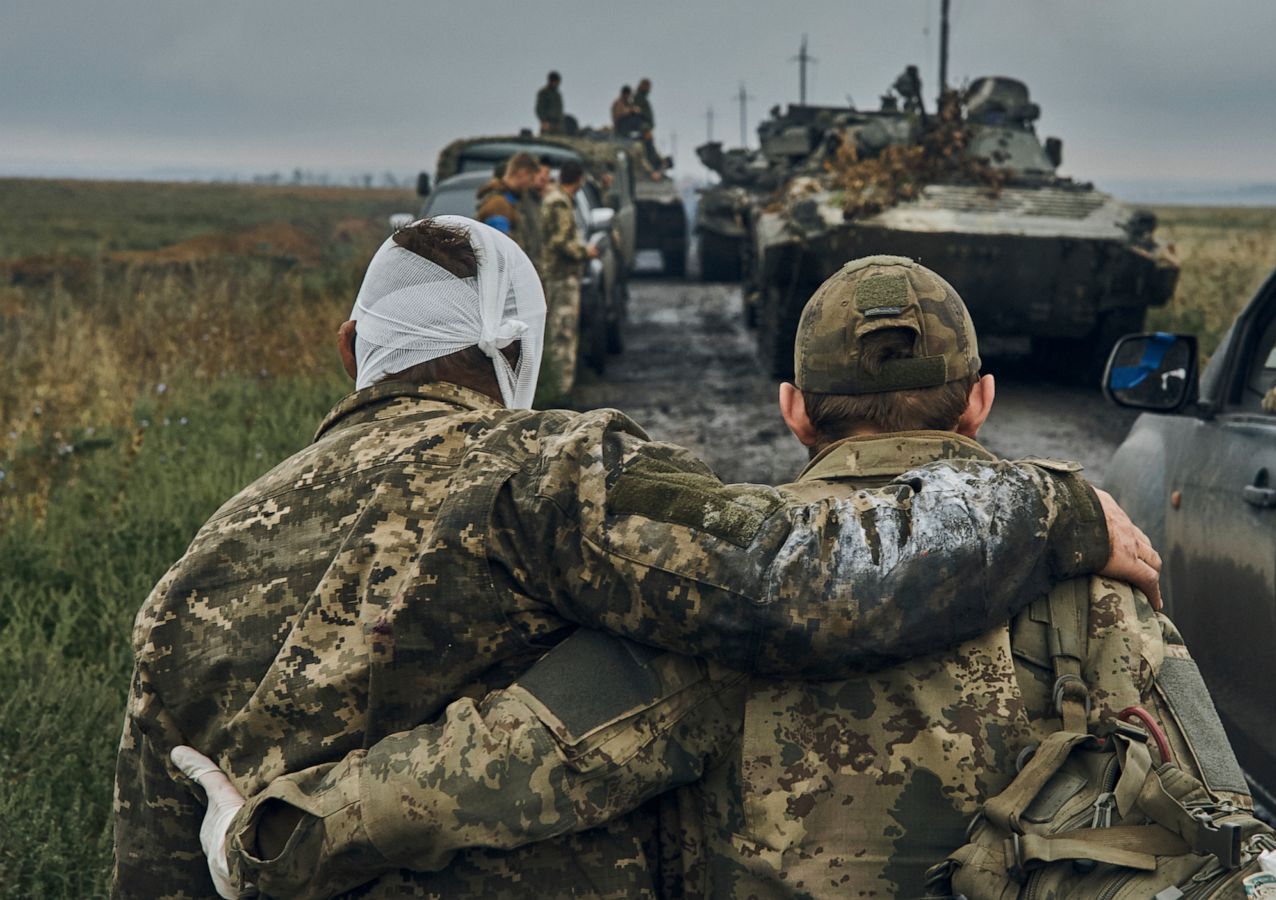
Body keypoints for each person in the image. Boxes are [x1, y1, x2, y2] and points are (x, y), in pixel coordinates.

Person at [115, 227, 1159, 899]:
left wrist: (272, 841)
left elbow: (521, 756)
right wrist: (1047, 503)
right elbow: (783, 579)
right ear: (981, 400)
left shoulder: (187, 582)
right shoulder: (552, 474)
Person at [535, 159, 598, 399]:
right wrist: (585, 252)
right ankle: (561, 391)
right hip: (562, 275)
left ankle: (557, 387)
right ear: (579, 179)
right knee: (563, 333)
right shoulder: (560, 202)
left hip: (556, 275)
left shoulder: (554, 198)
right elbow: (560, 241)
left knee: (557, 332)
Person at [473, 151, 546, 260]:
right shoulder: (499, 205)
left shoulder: (512, 202)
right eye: (530, 178)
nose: (531, 184)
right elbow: (500, 252)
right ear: (522, 173)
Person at [536, 70, 563, 135]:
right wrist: (544, 121)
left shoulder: (557, 94)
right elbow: (539, 109)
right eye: (556, 82)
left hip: (557, 124)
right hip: (547, 124)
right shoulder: (544, 93)